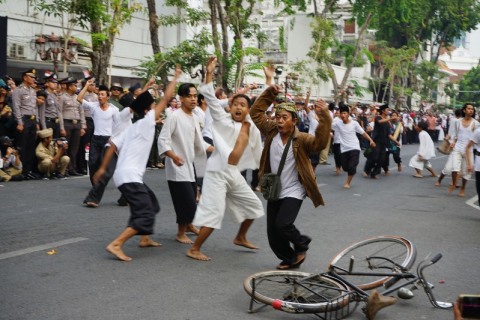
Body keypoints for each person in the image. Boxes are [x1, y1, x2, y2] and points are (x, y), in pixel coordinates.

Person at [93, 67, 180, 262]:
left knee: (152, 204)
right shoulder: (147, 121)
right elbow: (166, 98)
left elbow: (111, 146)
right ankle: (116, 244)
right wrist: (175, 78)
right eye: (153, 106)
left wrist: (101, 169)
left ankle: (145, 239)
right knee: (145, 213)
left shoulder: (131, 128)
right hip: (130, 177)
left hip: (124, 176)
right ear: (149, 109)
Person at [186, 56, 264, 261]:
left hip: (233, 174)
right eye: (235, 104)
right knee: (214, 214)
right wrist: (210, 72)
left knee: (255, 206)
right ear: (230, 107)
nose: (239, 107)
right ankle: (194, 248)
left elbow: (263, 107)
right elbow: (209, 96)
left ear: (247, 110)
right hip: (216, 173)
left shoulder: (250, 127)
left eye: (243, 105)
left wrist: (269, 81)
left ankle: (240, 236)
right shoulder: (222, 120)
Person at [250, 82, 332, 270]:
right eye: (277, 117)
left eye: (284, 117)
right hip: (274, 186)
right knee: (272, 234)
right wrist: (270, 93)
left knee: (283, 224)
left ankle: (302, 244)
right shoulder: (271, 131)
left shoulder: (302, 139)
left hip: (294, 188)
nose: (279, 121)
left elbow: (319, 143)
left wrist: (325, 117)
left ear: (294, 121)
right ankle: (290, 257)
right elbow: (255, 113)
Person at [158, 82, 211, 244]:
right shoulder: (174, 116)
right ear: (181, 98)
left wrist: (216, 150)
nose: (193, 99)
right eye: (189, 96)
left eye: (195, 96)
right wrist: (173, 156)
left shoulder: (194, 117)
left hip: (189, 165)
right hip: (177, 167)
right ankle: (180, 233)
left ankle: (188, 226)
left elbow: (199, 142)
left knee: (191, 197)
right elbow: (162, 140)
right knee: (186, 201)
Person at [332, 103, 375, 188]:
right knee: (345, 167)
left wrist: (371, 140)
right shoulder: (337, 124)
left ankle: (348, 182)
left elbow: (363, 133)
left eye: (345, 113)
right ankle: (352, 169)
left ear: (348, 114)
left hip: (354, 148)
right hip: (344, 149)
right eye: (341, 113)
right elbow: (328, 126)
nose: (343, 115)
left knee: (351, 167)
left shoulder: (354, 123)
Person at [11, 69, 39, 176]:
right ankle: (20, 170)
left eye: (33, 77)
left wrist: (36, 121)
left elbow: (35, 107)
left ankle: (28, 170)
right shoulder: (18, 90)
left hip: (32, 120)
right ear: (25, 77)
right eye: (31, 77)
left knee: (30, 146)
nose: (33, 79)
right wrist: (19, 122)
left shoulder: (33, 90)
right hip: (24, 119)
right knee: (22, 145)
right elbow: (16, 107)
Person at [58, 77, 85, 176]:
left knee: (74, 148)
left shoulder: (77, 97)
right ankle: (64, 169)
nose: (76, 87)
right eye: (74, 85)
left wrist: (83, 126)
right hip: (67, 123)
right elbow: (59, 112)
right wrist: (61, 127)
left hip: (77, 124)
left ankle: (72, 168)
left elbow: (81, 112)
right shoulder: (62, 97)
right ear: (69, 87)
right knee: (65, 147)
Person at [364, 104, 391, 179]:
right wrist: (389, 119)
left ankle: (374, 173)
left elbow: (389, 132)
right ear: (383, 111)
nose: (388, 111)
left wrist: (395, 141)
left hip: (384, 142)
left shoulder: (387, 121)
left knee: (382, 159)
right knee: (374, 157)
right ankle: (367, 170)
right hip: (376, 141)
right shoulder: (378, 118)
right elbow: (379, 122)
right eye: (387, 110)